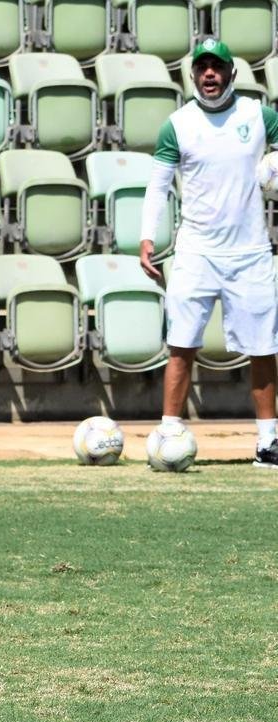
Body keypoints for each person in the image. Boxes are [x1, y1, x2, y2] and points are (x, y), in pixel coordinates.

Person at [139, 38, 278, 465]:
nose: (210, 74)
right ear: (194, 74)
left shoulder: (258, 115)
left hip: (251, 251)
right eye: (202, 68)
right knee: (181, 345)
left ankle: (267, 443)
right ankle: (169, 434)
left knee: (263, 348)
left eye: (217, 67)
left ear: (232, 73)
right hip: (195, 252)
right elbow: (158, 186)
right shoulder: (177, 125)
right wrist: (147, 238)